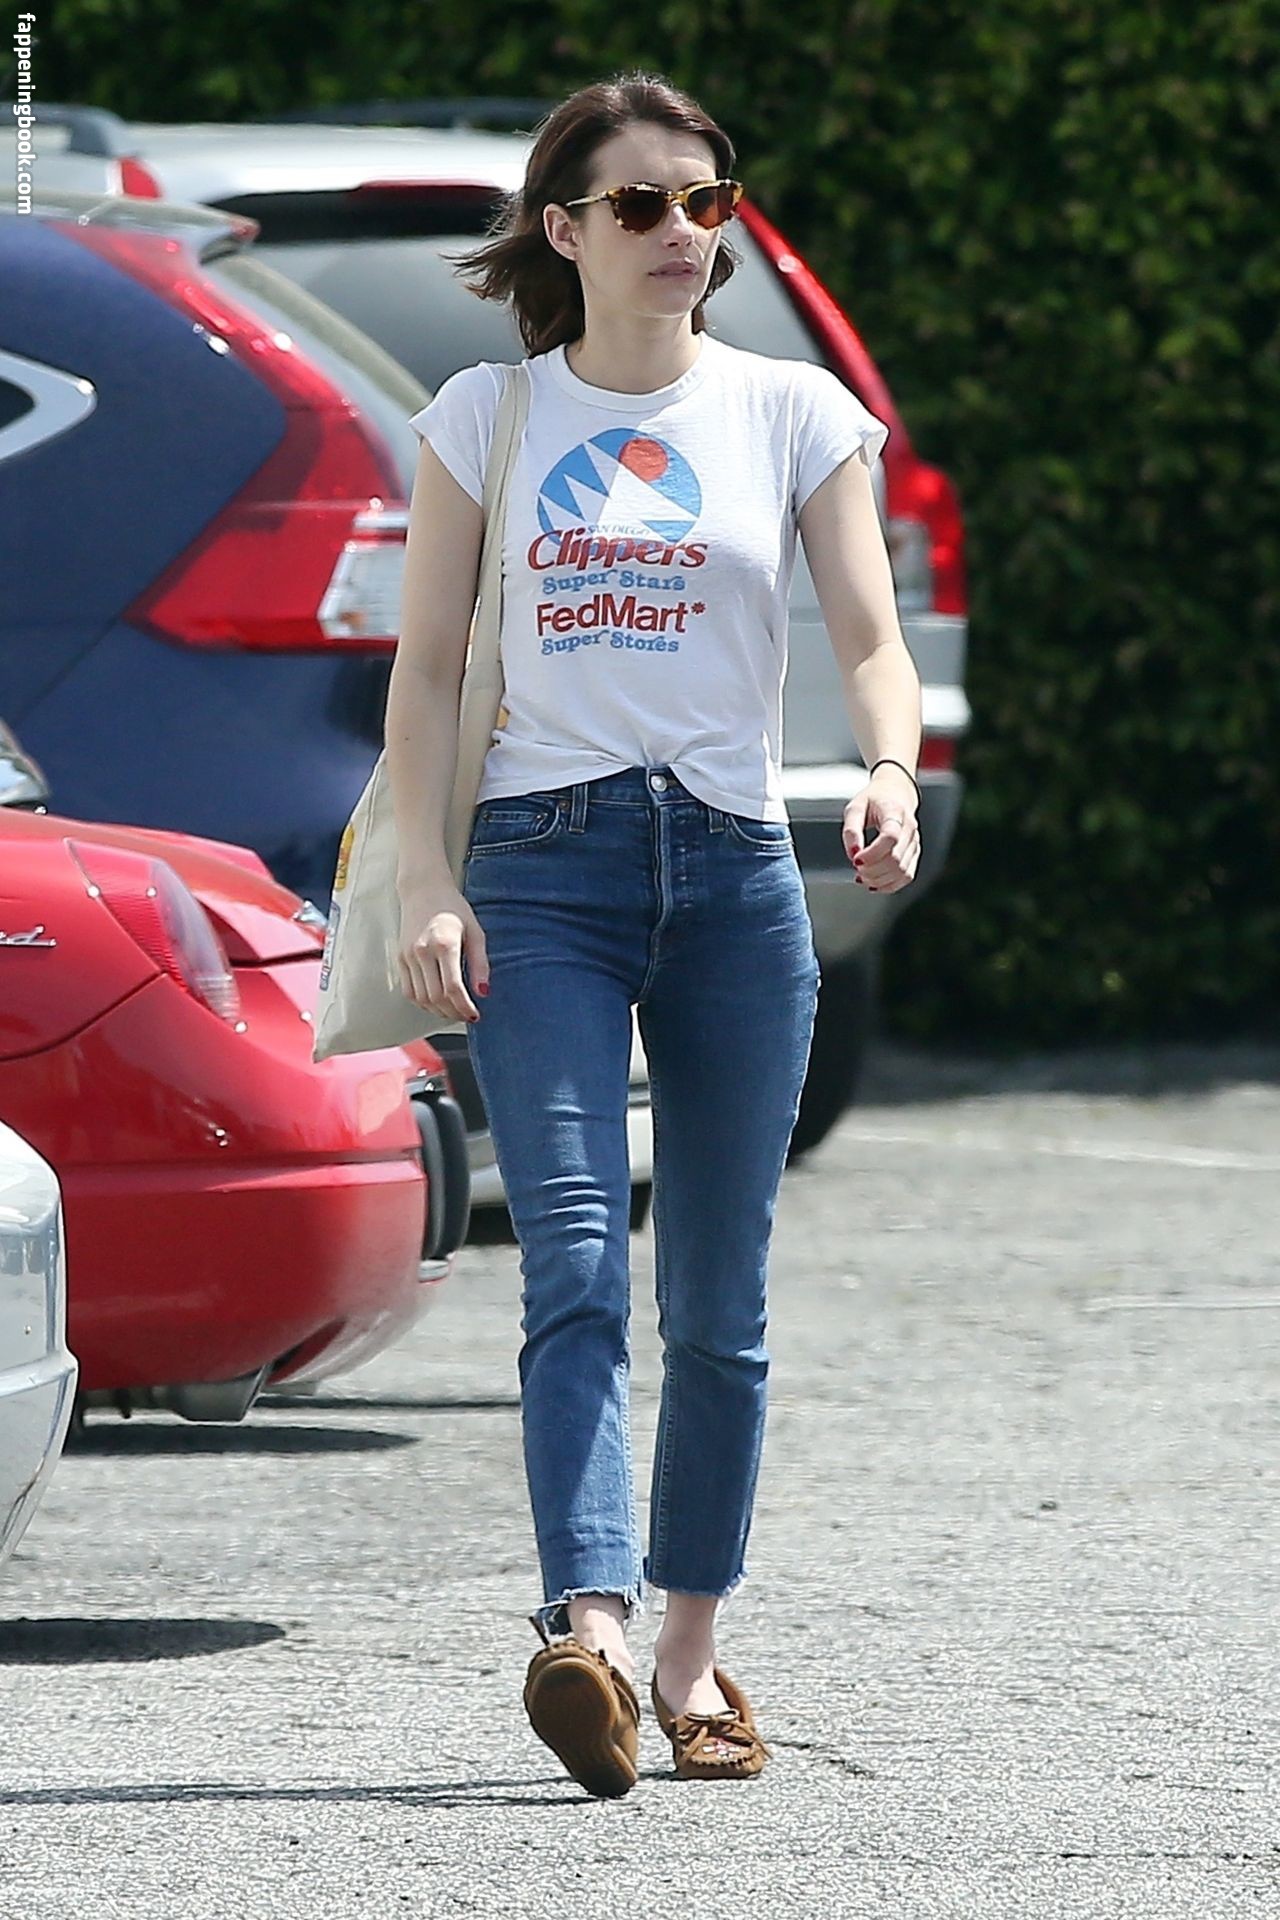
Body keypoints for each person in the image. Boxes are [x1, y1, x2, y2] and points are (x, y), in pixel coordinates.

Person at [385, 69, 922, 1797]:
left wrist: (892, 769)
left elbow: (872, 637)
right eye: (640, 204)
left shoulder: (790, 410)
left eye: (707, 200)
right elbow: (426, 669)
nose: (682, 230)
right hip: (543, 869)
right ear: (566, 229)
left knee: (721, 1300)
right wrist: (429, 876)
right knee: (571, 1260)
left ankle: (688, 1655)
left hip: (737, 876)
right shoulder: (488, 414)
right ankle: (594, 1637)